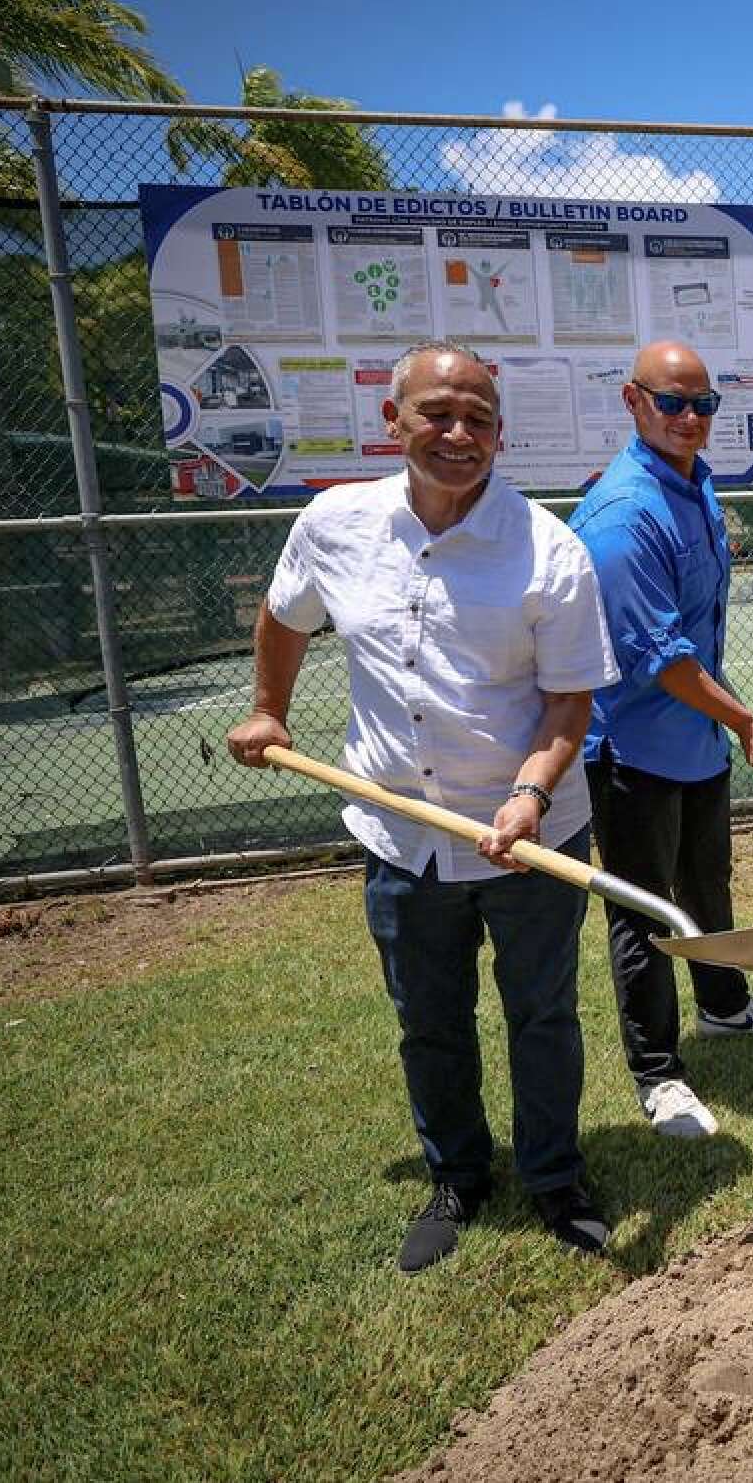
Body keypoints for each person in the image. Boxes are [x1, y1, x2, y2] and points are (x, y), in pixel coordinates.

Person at [224, 339, 620, 1273]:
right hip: (402, 835)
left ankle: (555, 1179)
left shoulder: (550, 552)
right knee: (430, 1020)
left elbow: (568, 705)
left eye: (479, 419)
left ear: (500, 436)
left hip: (530, 837)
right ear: (392, 420)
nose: (458, 434)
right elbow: (285, 613)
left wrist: (529, 795)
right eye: (438, 414)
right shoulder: (335, 524)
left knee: (543, 1015)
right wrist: (269, 708)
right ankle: (456, 1178)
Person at [568, 340, 753, 1145]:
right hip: (632, 748)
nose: (689, 418)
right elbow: (661, 659)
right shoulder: (623, 515)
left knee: (707, 881)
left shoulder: (694, 482)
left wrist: (725, 721)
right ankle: (658, 1074)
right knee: (645, 910)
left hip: (695, 735)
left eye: (702, 404)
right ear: (633, 401)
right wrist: (745, 720)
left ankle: (725, 1006)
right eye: (671, 402)